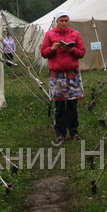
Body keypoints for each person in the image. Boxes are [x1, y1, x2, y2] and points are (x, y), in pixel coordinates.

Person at [40, 11, 85, 144]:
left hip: (72, 74)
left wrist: (72, 50)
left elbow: (82, 52)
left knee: (72, 104)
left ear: (69, 21)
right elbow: (44, 53)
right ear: (56, 21)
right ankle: (60, 133)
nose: (64, 23)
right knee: (59, 105)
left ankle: (74, 131)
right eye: (61, 20)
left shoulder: (75, 34)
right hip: (56, 75)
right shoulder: (50, 34)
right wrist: (52, 49)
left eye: (66, 20)